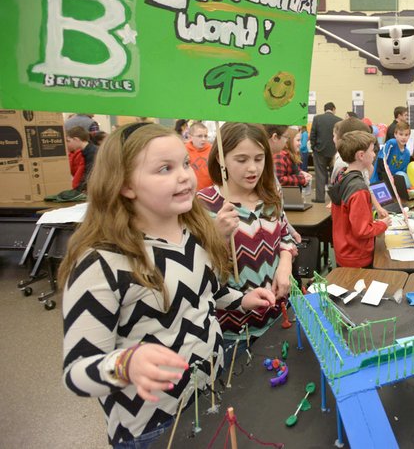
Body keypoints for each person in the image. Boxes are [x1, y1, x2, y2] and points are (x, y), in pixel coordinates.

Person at [59, 122, 276, 447]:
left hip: (209, 397)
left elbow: (210, 294)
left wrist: (242, 300)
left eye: (185, 164)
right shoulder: (102, 261)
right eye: (165, 168)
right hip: (150, 428)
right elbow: (77, 371)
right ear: (125, 185)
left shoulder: (196, 236)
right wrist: (126, 364)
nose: (184, 176)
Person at [198, 123, 295, 347]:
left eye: (259, 159)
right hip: (233, 332)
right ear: (221, 159)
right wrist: (217, 236)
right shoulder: (204, 205)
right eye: (241, 160)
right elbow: (200, 274)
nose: (252, 168)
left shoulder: (270, 195)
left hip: (278, 317)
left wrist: (285, 265)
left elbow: (284, 236)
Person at [329, 131, 392, 268]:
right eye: (372, 150)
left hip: (344, 251)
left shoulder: (342, 176)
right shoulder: (359, 189)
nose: (375, 154)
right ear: (361, 155)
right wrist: (383, 224)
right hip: (356, 256)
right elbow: (362, 231)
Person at [309, 102, 341, 203]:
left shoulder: (317, 118)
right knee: (335, 175)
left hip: (320, 151)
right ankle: (335, 199)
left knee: (320, 174)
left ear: (324, 109)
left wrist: (314, 147)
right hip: (334, 152)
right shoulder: (339, 120)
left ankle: (320, 198)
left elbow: (313, 134)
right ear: (334, 109)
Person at [65, 126, 98, 192]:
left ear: (76, 139)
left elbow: (89, 175)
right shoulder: (87, 151)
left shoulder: (92, 153)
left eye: (68, 141)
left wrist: (77, 190)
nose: (66, 144)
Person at [185, 121, 213, 191]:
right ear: (190, 137)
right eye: (199, 136)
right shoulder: (184, 151)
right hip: (191, 190)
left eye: (205, 136)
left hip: (210, 190)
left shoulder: (212, 150)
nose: (203, 139)